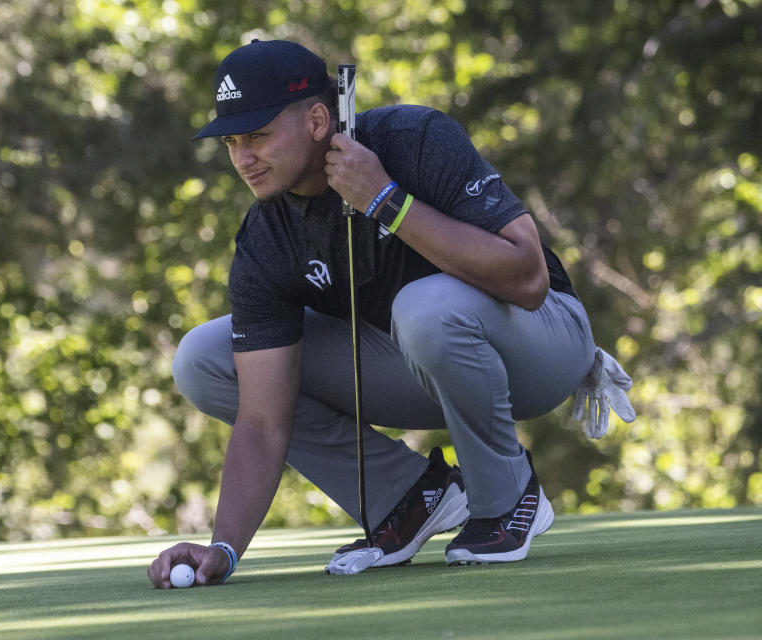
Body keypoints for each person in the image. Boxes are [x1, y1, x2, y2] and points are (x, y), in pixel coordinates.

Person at [147, 39, 634, 588]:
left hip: (542, 345)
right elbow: (262, 421)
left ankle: (506, 496)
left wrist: (386, 199)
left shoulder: (415, 138)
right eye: (232, 141)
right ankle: (407, 497)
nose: (243, 157)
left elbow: (527, 278)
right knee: (204, 359)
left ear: (315, 120)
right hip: (420, 362)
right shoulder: (265, 237)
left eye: (257, 136)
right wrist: (224, 548)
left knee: (424, 306)